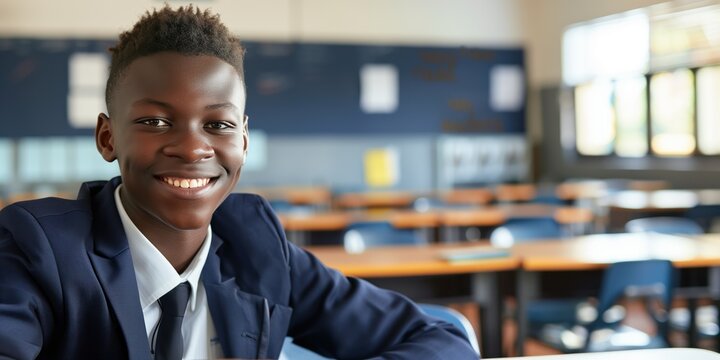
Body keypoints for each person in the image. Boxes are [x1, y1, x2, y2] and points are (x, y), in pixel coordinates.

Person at [0, 5, 478, 360]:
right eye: (155, 122)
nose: (192, 149)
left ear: (244, 140)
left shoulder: (257, 248)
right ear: (108, 138)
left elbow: (442, 341)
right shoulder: (40, 250)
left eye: (219, 125)